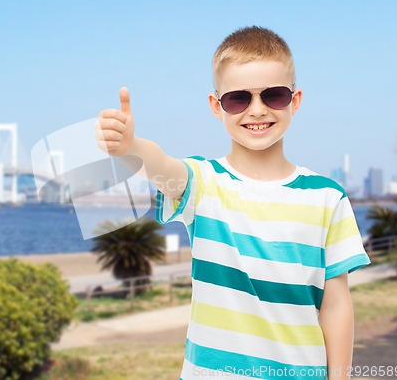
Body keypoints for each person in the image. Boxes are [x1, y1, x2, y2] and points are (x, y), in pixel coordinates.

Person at [96, 26, 370, 380]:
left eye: (273, 95)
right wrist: (132, 147)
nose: (256, 110)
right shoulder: (203, 184)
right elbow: (162, 167)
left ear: (295, 100)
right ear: (216, 106)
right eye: (238, 99)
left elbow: (335, 306)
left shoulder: (327, 197)